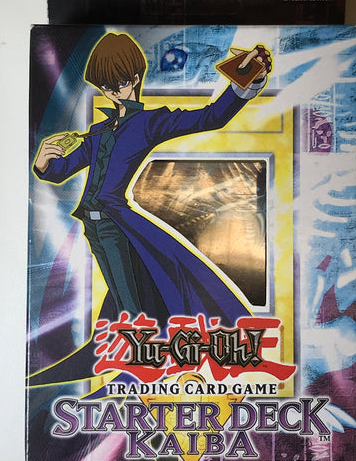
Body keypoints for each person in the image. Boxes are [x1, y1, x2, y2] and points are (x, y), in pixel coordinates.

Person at [34, 32, 270, 328]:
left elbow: (210, 118)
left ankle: (139, 341)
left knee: (130, 303)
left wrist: (247, 82)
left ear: (135, 78)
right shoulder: (98, 130)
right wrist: (44, 163)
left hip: (113, 224)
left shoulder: (149, 122)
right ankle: (135, 341)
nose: (114, 92)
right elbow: (63, 170)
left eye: (120, 83)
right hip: (92, 225)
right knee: (121, 296)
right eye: (106, 87)